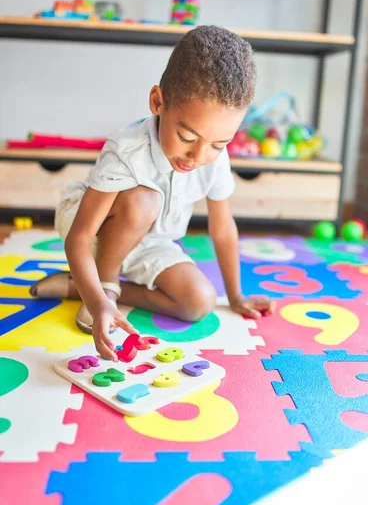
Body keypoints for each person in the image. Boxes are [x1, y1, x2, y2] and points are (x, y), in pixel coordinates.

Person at [30, 25, 275, 361]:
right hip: (96, 224)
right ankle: (104, 286)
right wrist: (98, 301)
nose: (198, 157)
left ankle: (80, 287)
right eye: (188, 138)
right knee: (145, 201)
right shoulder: (127, 148)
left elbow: (222, 228)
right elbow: (79, 237)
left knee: (198, 302)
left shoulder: (213, 159)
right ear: (158, 101)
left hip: (152, 240)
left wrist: (235, 294)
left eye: (218, 145)